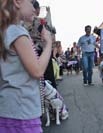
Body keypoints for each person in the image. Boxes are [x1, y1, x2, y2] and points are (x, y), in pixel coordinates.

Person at [0, 0, 52, 132]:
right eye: (30, 2)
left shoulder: (6, 30)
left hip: (9, 110)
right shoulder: (17, 32)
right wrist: (49, 44)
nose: (34, 8)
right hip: (23, 111)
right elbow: (37, 70)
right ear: (17, 2)